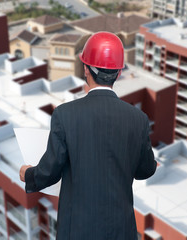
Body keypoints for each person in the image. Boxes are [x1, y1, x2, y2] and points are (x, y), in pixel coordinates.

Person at [19, 31, 157, 240]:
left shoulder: (65, 115)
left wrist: (28, 174)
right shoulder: (138, 119)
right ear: (118, 73)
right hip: (121, 233)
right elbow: (145, 170)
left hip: (78, 232)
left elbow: (50, 171)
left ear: (86, 69)